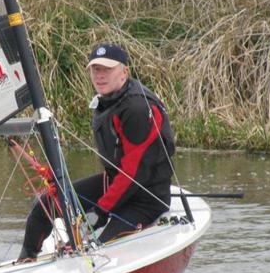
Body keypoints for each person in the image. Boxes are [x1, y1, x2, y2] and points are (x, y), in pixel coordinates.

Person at [18, 42, 175, 260]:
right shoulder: (108, 99)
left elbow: (134, 173)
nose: (100, 76)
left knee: (99, 250)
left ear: (124, 72)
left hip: (146, 199)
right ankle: (25, 261)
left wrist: (101, 211)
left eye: (107, 69)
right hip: (115, 185)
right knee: (46, 204)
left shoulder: (137, 109)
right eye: (95, 69)